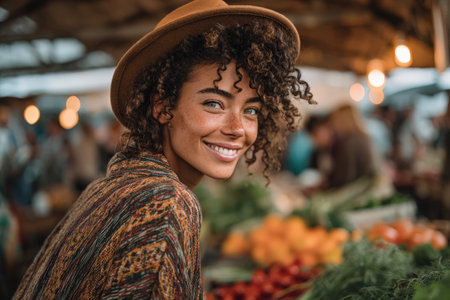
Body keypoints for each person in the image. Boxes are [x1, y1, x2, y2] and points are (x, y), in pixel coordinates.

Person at [13, 0, 313, 298]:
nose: (238, 128)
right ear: (162, 106)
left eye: (251, 110)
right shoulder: (168, 203)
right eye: (213, 103)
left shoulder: (110, 185)